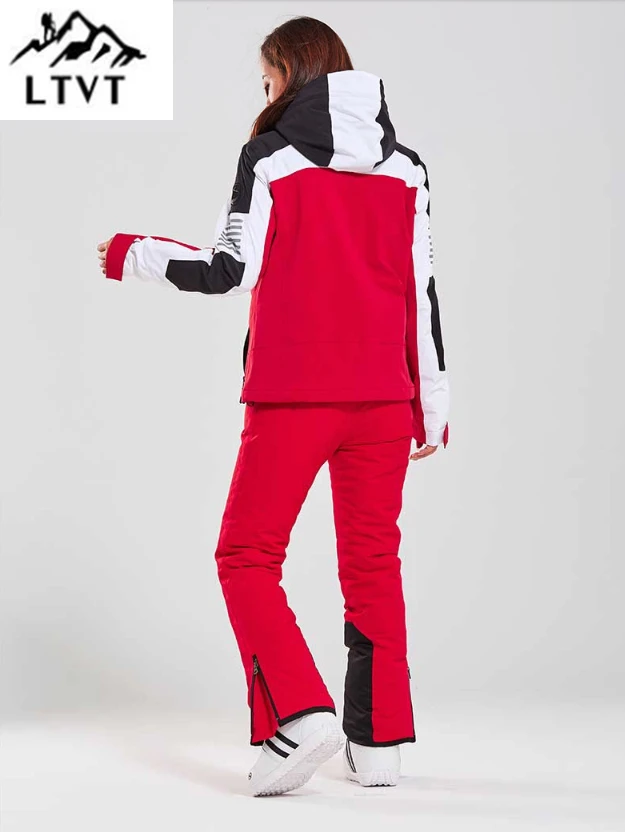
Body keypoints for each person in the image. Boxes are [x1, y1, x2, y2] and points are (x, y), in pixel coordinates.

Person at [97, 15, 450, 797]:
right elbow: (419, 290)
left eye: (266, 80)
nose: (263, 94)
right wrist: (431, 400)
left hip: (293, 394)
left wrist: (134, 255)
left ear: (288, 73)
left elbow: (228, 269)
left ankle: (299, 714)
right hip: (385, 398)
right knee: (373, 564)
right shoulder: (407, 169)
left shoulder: (269, 158)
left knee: (245, 556)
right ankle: (378, 745)